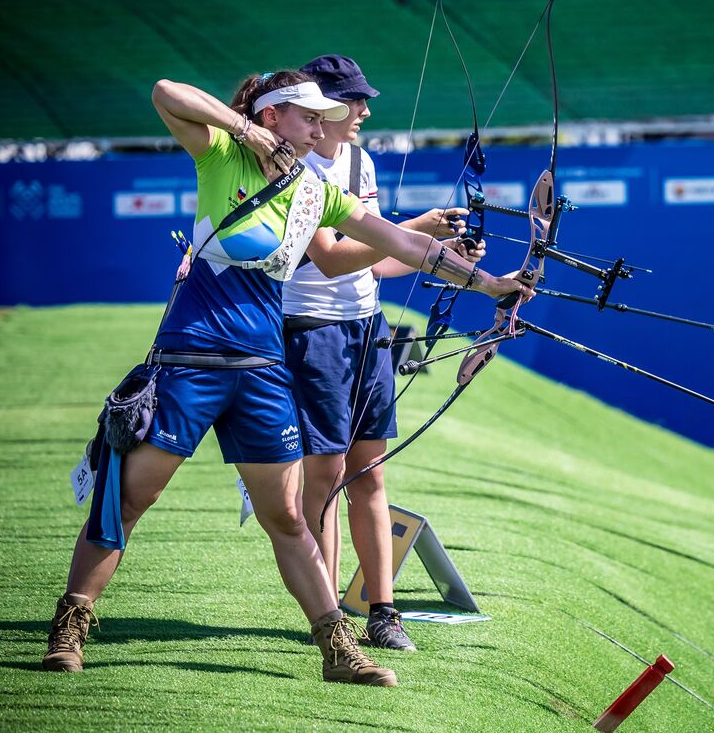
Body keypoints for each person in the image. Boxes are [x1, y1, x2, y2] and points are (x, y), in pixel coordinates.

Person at [42, 70, 532, 686]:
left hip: (262, 370)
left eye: (324, 117)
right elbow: (165, 91)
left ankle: (338, 649)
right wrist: (242, 129)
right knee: (131, 498)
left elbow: (403, 247)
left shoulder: (317, 191)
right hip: (194, 359)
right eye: (308, 116)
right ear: (274, 118)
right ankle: (70, 626)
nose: (321, 124)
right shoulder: (221, 156)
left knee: (291, 520)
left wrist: (490, 284)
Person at [283, 54, 476, 652]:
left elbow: (379, 263)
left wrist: (438, 259)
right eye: (353, 100)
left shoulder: (360, 160)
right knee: (327, 473)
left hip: (367, 329)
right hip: (312, 330)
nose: (364, 111)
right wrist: (412, 229)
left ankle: (381, 612)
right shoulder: (290, 163)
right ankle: (330, 614)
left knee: (369, 471)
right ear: (322, 105)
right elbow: (333, 256)